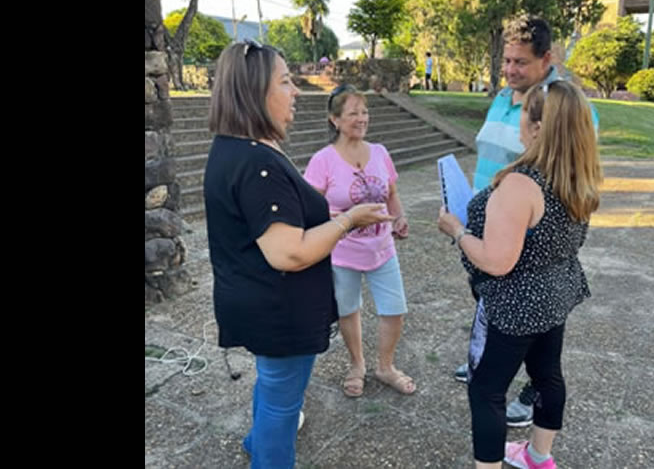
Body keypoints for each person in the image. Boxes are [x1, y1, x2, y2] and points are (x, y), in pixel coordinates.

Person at [203, 41, 394, 469]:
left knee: (273, 387)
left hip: (257, 301)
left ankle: (258, 441)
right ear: (254, 91)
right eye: (286, 82)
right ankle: (268, 454)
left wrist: (337, 216)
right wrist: (347, 222)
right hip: (277, 309)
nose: (297, 92)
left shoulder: (234, 146)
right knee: (281, 402)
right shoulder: (258, 163)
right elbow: (289, 254)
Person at [438, 80, 603, 469]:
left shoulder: (521, 184)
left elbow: (496, 262)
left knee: (487, 390)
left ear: (537, 127)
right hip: (556, 294)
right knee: (548, 375)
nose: (519, 119)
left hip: (515, 305)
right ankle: (539, 456)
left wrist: (458, 231)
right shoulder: (576, 177)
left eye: (524, 112)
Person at [453, 14, 599, 430]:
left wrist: (469, 229)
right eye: (507, 61)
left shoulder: (564, 107)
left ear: (545, 59)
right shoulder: (503, 98)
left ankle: (514, 382)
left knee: (508, 358)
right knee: (500, 319)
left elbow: (571, 170)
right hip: (494, 225)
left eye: (520, 62)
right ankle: (492, 366)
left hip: (523, 238)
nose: (510, 70)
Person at [303, 84, 415, 397]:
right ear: (334, 120)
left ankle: (385, 366)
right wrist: (342, 221)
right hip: (342, 253)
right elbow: (310, 210)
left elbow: (392, 194)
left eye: (364, 111)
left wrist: (400, 217)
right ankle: (357, 364)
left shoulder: (379, 152)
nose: (361, 118)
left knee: (395, 309)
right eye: (353, 113)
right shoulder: (322, 160)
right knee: (348, 309)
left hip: (382, 249)